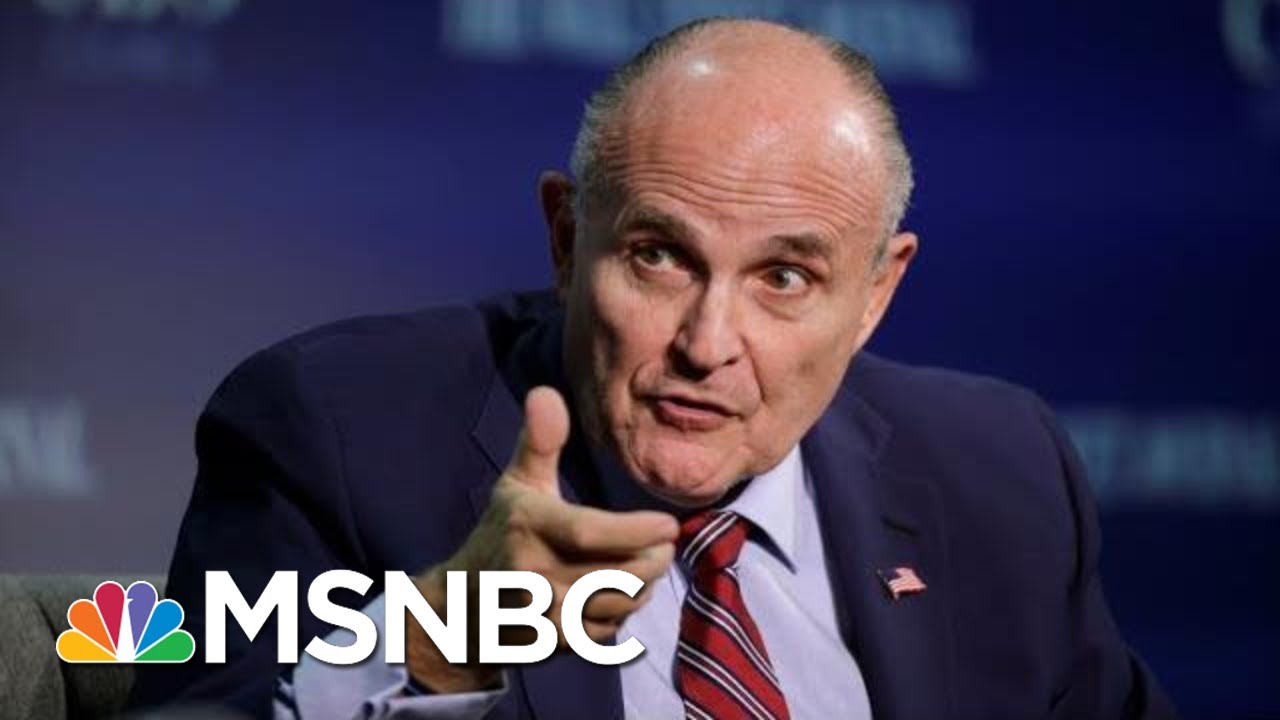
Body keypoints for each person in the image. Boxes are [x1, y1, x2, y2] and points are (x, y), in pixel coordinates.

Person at [132, 17, 1177, 720]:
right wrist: (435, 644)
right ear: (564, 238)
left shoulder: (998, 471)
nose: (707, 344)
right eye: (659, 256)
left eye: (784, 278)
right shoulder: (337, 429)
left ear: (874, 295)